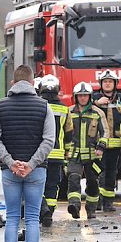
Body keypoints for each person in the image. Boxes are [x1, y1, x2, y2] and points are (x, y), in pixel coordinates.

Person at [0, 65, 55, 242]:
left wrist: (11, 162)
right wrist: (31, 164)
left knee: (13, 217)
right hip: (36, 171)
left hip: (10, 171)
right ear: (33, 82)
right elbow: (48, 141)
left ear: (13, 83)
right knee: (33, 218)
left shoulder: (1, 107)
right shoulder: (45, 107)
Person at [93, 69, 121, 212]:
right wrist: (96, 103)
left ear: (115, 84)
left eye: (110, 82)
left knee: (112, 173)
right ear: (101, 84)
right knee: (99, 173)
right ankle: (97, 202)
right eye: (105, 81)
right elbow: (83, 110)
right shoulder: (93, 98)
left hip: (116, 145)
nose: (107, 84)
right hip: (98, 145)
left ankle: (108, 203)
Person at [66, 82, 109, 220]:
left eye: (85, 95)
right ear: (76, 97)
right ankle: (74, 206)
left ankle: (91, 210)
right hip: (74, 154)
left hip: (92, 155)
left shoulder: (98, 113)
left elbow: (105, 132)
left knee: (92, 183)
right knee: (73, 179)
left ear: (89, 97)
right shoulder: (69, 111)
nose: (83, 98)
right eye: (80, 96)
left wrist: (101, 147)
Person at [38, 74, 73, 228]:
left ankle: (42, 209)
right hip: (57, 154)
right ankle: (49, 215)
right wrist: (67, 152)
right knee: (53, 185)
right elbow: (69, 133)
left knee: (37, 184)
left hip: (39, 154)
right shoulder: (65, 109)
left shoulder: (37, 106)